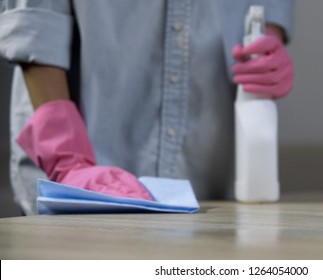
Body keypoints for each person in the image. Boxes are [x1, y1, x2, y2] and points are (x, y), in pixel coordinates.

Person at [0, 0, 294, 215]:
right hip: (79, 184)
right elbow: (35, 21)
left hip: (211, 179)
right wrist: (66, 158)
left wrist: (267, 38)